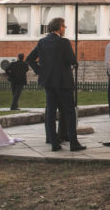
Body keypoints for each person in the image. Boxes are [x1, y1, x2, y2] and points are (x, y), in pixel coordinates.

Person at [27, 17, 85, 152]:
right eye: (64, 27)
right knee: (70, 112)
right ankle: (73, 143)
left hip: (48, 82)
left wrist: (41, 71)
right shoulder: (64, 42)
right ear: (59, 28)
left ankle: (54, 142)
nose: (64, 29)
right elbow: (71, 60)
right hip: (64, 82)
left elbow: (30, 59)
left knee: (51, 112)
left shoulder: (42, 42)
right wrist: (74, 61)